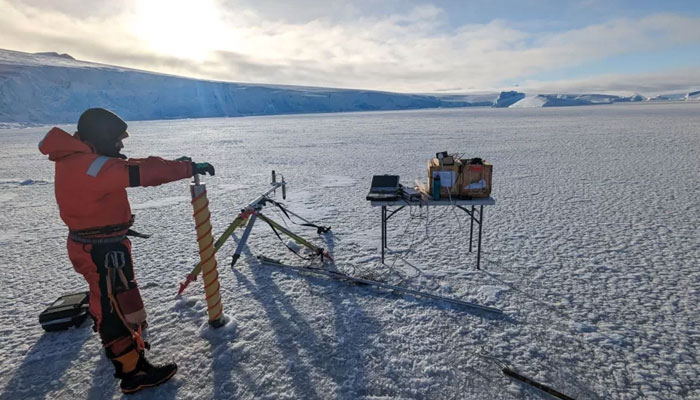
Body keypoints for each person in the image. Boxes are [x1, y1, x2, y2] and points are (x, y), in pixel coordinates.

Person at [38, 108, 215, 394]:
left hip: (101, 246)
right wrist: (186, 168)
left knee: (117, 298)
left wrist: (176, 164)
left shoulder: (82, 161)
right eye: (117, 140)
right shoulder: (91, 168)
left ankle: (129, 343)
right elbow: (140, 172)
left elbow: (131, 164)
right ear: (101, 137)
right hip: (101, 251)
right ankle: (132, 372)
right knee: (112, 308)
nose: (121, 146)